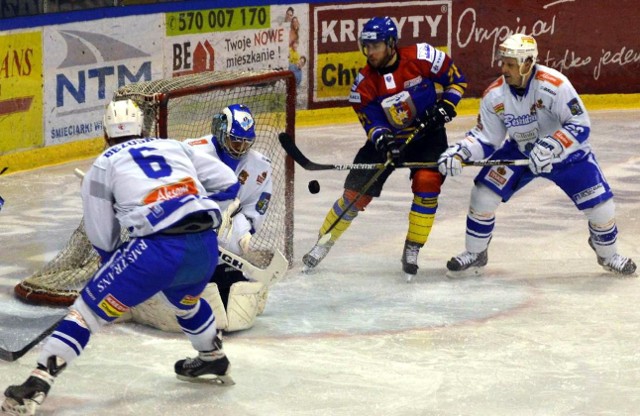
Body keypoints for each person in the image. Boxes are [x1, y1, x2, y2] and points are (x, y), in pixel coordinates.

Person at [1, 99, 240, 415]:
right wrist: (182, 198)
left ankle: (35, 386)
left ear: (105, 134)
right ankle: (213, 357)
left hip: (157, 249)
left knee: (86, 312)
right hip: (204, 245)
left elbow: (103, 239)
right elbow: (228, 183)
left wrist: (119, 269)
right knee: (186, 302)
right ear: (144, 129)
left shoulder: (103, 165)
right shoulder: (174, 146)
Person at [438, 33, 636, 277]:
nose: (504, 69)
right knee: (483, 195)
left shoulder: (555, 85)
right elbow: (486, 138)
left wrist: (552, 145)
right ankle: (476, 252)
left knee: (601, 209)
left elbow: (580, 124)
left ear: (528, 63)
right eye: (502, 62)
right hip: (521, 151)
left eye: (510, 64)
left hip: (567, 155)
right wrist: (461, 152)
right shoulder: (494, 96)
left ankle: (608, 255)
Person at [302, 16, 467, 278]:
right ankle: (323, 243)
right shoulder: (363, 84)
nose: (369, 52)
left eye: (375, 46)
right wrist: (385, 141)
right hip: (389, 141)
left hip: (428, 135)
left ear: (391, 44)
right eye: (366, 46)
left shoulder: (422, 56)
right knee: (356, 193)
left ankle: (412, 247)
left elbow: (457, 79)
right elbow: (373, 123)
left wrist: (446, 106)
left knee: (428, 183)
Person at [128, 103, 276, 333]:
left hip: (221, 236)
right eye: (235, 141)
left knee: (235, 232)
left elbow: (256, 205)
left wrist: (246, 230)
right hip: (187, 227)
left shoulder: (260, 166)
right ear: (220, 132)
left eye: (247, 142)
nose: (240, 148)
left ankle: (223, 276)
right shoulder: (191, 152)